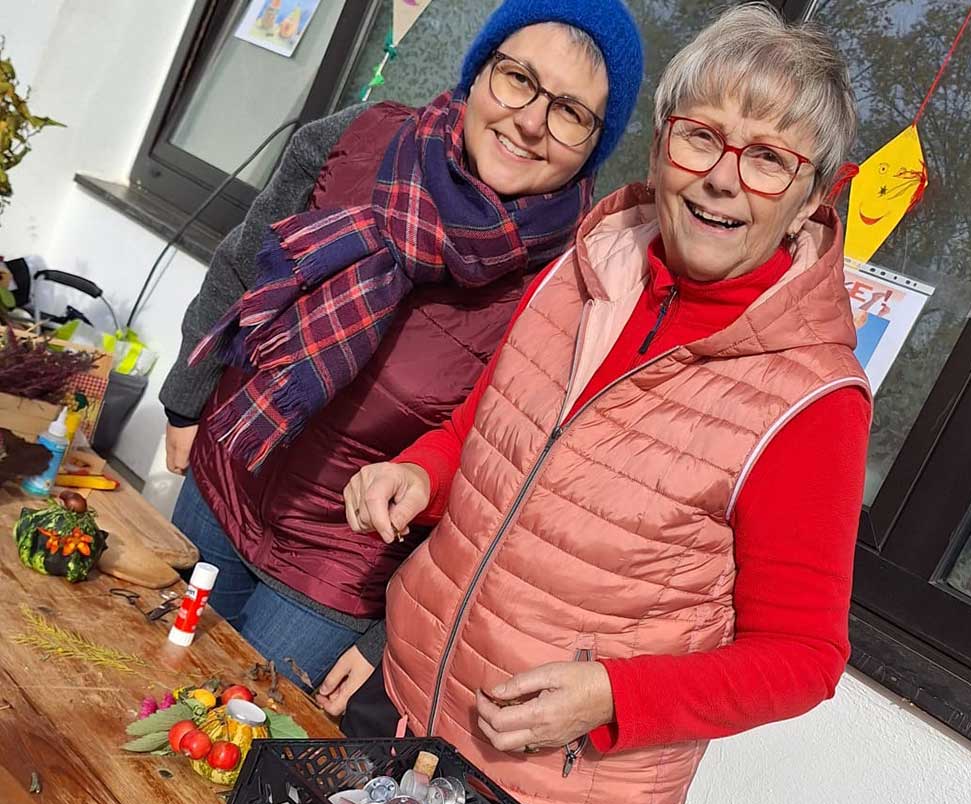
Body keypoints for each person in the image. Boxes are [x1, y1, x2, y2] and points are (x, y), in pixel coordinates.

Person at [344, 4, 870, 804]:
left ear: (809, 198)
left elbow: (802, 656)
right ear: (661, 148)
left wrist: (616, 698)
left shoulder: (810, 399)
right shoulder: (584, 266)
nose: (723, 176)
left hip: (547, 786)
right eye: (701, 135)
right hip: (406, 705)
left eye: (768, 157)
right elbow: (481, 435)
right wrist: (420, 474)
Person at [159, 0, 645, 701]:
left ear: (594, 145)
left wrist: (386, 634)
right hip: (227, 468)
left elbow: (496, 479)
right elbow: (244, 262)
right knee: (145, 688)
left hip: (333, 574)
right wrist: (186, 396)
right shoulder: (357, 138)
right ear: (479, 73)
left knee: (225, 750)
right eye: (518, 78)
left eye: (571, 113)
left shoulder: (566, 286)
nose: (532, 121)